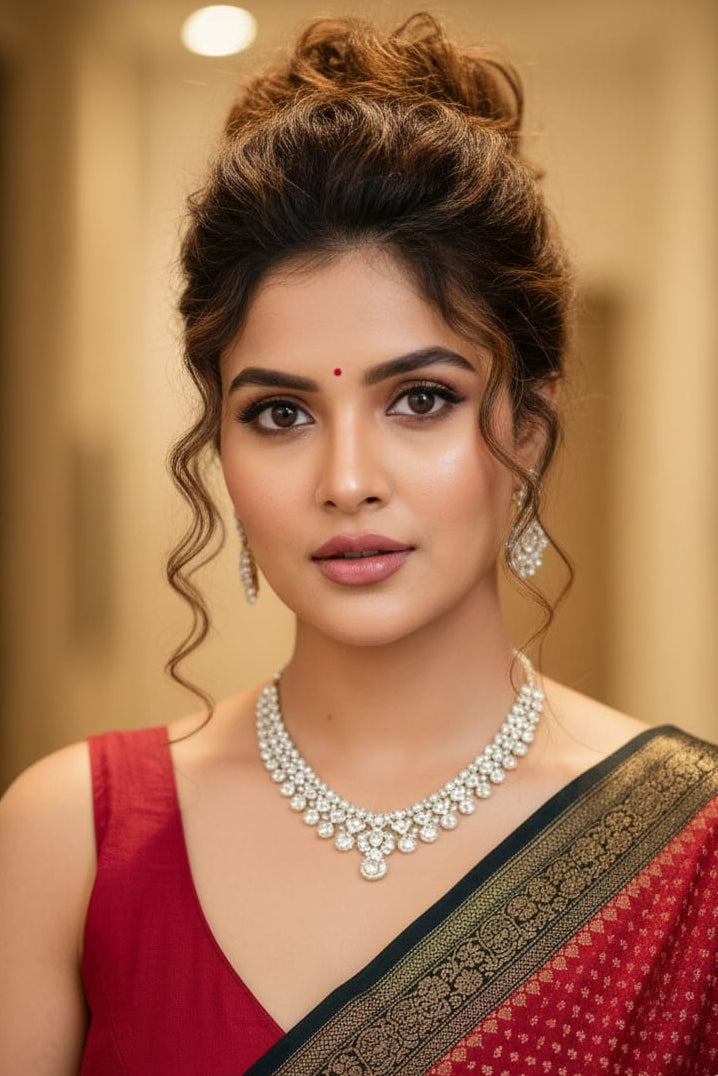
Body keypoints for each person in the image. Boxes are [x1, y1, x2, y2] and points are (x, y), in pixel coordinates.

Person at [1, 10, 717, 1075]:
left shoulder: (688, 856)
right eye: (279, 414)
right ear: (221, 445)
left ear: (527, 423)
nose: (345, 482)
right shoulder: (72, 836)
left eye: (420, 398)